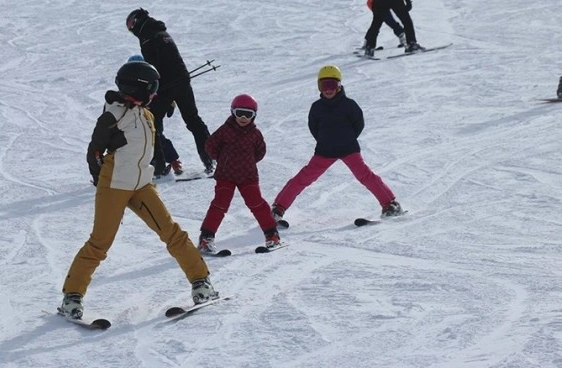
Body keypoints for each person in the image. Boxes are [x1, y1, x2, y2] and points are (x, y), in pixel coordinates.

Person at [59, 60, 218, 321]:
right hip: (114, 184)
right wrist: (103, 183)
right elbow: (94, 152)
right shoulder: (113, 115)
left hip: (142, 184)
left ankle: (201, 282)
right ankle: (71, 297)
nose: (155, 93)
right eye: (152, 88)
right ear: (140, 88)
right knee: (100, 243)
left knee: (172, 232)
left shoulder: (146, 114)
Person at [271, 65, 404, 226]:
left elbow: (358, 124)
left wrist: (346, 139)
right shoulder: (317, 107)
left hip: (348, 148)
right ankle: (277, 209)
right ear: (319, 87)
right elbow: (313, 127)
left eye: (332, 85)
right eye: (324, 85)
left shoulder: (349, 105)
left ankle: (390, 204)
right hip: (325, 151)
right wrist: (325, 140)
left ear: (339, 85)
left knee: (365, 176)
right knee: (302, 178)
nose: (328, 90)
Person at [126, 8, 214, 176]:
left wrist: (150, 92)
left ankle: (158, 165)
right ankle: (211, 158)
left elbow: (154, 67)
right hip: (182, 81)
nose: (131, 30)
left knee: (154, 124)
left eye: (131, 25)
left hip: (166, 86)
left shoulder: (148, 36)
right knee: (193, 119)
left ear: (137, 22)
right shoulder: (160, 31)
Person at [198, 94, 281, 253]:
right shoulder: (225, 130)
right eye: (239, 113)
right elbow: (210, 146)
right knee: (219, 205)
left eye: (248, 114)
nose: (243, 118)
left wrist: (248, 161)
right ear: (232, 112)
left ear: (254, 115)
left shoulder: (255, 134)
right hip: (225, 176)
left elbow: (260, 151)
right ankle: (206, 238)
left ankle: (272, 234)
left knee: (257, 204)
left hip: (248, 177)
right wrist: (222, 158)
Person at [127, 55, 184, 175]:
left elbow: (164, 95)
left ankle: (173, 161)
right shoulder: (129, 83)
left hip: (154, 114)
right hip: (137, 115)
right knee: (142, 140)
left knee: (158, 137)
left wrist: (170, 104)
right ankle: (151, 165)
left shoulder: (152, 81)